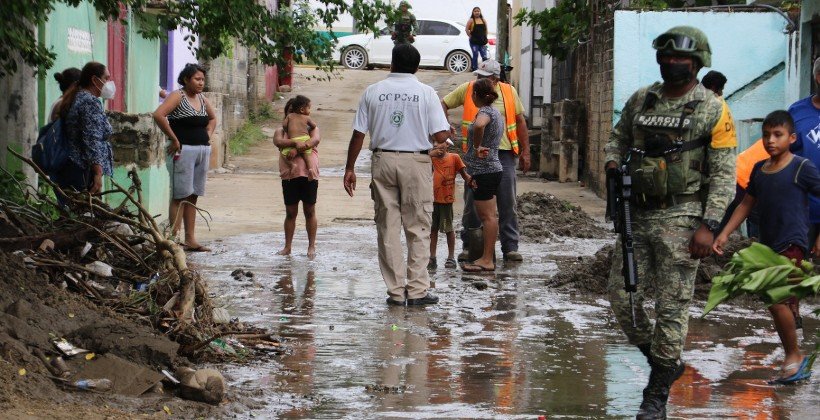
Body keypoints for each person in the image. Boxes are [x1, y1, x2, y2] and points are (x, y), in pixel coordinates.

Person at [604, 26, 736, 418]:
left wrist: (709, 224)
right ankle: (665, 361)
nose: (673, 64)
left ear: (698, 63)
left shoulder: (713, 108)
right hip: (637, 212)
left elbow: (725, 174)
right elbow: (618, 138)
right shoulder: (642, 99)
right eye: (667, 57)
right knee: (621, 295)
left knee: (672, 305)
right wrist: (613, 161)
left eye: (682, 58)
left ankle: (656, 393)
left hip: (683, 215)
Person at [713, 111, 816, 384]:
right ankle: (794, 355)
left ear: (792, 138)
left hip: (793, 242)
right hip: (767, 246)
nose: (771, 140)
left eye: (778, 135)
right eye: (766, 135)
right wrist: (724, 233)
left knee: (775, 298)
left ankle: (795, 356)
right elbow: (746, 204)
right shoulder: (760, 169)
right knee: (778, 302)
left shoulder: (801, 167)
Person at [343, 44, 450, 306]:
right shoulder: (426, 93)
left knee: (388, 227)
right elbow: (440, 136)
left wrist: (350, 168)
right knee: (419, 226)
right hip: (416, 162)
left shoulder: (373, 91)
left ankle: (395, 292)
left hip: (382, 160)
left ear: (391, 63)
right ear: (416, 67)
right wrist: (448, 133)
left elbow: (359, 133)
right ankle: (416, 291)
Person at [442, 59, 531, 262]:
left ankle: (510, 248)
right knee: (472, 203)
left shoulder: (509, 92)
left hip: (504, 155)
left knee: (507, 202)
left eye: (484, 78)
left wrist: (526, 152)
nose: (478, 81)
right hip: (476, 158)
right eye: (478, 77)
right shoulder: (468, 89)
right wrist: (445, 124)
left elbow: (519, 122)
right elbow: (444, 103)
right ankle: (470, 246)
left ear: (495, 79)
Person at [153, 63, 217, 252]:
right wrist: (173, 139)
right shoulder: (177, 96)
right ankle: (174, 239)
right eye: (197, 79)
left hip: (201, 151)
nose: (201, 83)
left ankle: (190, 239)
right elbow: (159, 115)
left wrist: (208, 134)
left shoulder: (202, 99)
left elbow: (213, 118)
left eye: (203, 79)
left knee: (193, 195)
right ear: (186, 79)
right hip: (183, 151)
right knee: (179, 196)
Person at [460, 78, 504, 272]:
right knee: (490, 215)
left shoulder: (486, 112)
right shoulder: (495, 112)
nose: (471, 98)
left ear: (478, 95)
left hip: (484, 171)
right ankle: (487, 257)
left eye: (472, 94)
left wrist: (477, 147)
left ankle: (487, 260)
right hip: (491, 169)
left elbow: (479, 126)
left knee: (487, 217)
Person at [55, 61, 115, 195]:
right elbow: (92, 139)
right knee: (84, 213)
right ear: (94, 80)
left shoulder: (78, 96)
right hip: (82, 169)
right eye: (106, 78)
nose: (109, 83)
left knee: (73, 211)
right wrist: (98, 173)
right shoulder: (89, 101)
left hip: (73, 166)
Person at [273, 122, 321, 259]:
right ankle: (287, 247)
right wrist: (297, 144)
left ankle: (311, 246)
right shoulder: (280, 130)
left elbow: (314, 141)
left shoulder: (312, 129)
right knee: (290, 212)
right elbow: (278, 142)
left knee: (310, 211)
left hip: (309, 176)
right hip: (289, 176)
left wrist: (294, 149)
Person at [788, 57, 820, 251]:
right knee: (797, 271)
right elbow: (785, 156)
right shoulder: (797, 111)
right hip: (801, 211)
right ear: (818, 77)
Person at [429, 141, 472, 270]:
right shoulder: (430, 158)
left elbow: (465, 175)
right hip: (431, 200)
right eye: (434, 143)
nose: (437, 145)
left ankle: (451, 257)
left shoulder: (454, 158)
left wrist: (471, 181)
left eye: (441, 143)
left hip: (446, 200)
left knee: (448, 229)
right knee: (432, 229)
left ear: (448, 145)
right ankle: (432, 257)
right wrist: (431, 154)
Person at [281, 95, 319, 181]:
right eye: (309, 108)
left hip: (293, 139)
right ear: (302, 109)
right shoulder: (306, 118)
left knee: (284, 154)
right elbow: (314, 125)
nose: (309, 111)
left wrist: (288, 129)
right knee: (306, 156)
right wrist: (308, 128)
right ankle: (310, 169)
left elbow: (284, 125)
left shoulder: (289, 117)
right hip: (305, 139)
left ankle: (291, 165)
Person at [466, 7, 489, 72]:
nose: (477, 12)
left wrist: (485, 38)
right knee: (475, 54)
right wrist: (470, 36)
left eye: (478, 11)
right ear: (473, 12)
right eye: (475, 11)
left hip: (482, 42)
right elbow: (466, 29)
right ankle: (474, 68)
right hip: (474, 42)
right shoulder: (471, 20)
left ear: (480, 12)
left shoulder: (483, 20)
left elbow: (486, 30)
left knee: (484, 56)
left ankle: (485, 69)